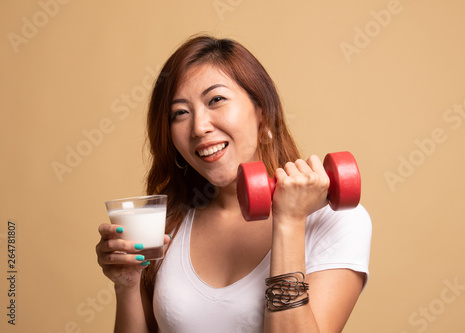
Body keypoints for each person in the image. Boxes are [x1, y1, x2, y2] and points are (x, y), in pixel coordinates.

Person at [96, 35, 372, 333]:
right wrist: (127, 286)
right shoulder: (168, 224)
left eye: (216, 100)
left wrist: (290, 220)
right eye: (180, 113)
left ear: (262, 114)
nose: (199, 127)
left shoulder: (336, 221)